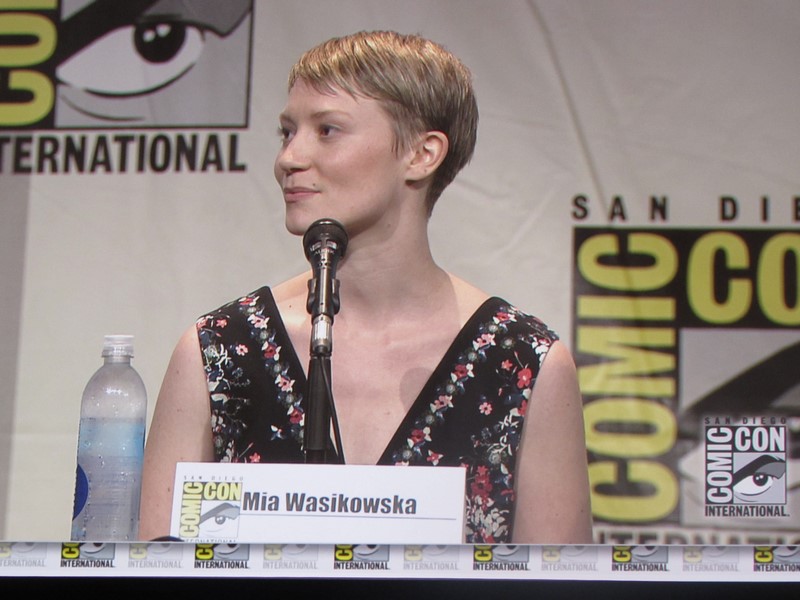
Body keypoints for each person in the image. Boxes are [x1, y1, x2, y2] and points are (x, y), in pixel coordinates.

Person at [139, 30, 592, 544]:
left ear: (422, 154)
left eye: (327, 130)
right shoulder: (218, 349)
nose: (289, 158)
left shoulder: (523, 363)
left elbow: (556, 577)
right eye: (287, 132)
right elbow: (152, 569)